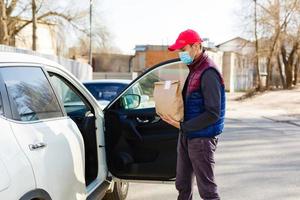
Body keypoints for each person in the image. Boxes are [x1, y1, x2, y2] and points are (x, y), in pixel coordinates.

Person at [159, 29, 225, 200]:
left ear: (196, 46)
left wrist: (182, 126)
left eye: (183, 49)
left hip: (201, 139)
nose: (181, 54)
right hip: (188, 136)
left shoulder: (208, 72)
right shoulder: (195, 69)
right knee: (183, 185)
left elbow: (213, 113)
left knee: (208, 191)